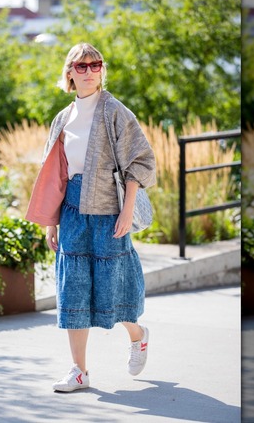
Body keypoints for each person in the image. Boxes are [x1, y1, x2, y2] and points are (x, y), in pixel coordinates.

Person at [25, 43, 156, 392]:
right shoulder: (62, 118)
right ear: (69, 73)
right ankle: (79, 371)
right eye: (80, 66)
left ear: (102, 70)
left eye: (94, 65)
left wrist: (127, 210)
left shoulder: (115, 111)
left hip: (108, 212)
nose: (88, 71)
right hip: (70, 211)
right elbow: (54, 175)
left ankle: (138, 335)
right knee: (73, 291)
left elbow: (140, 162)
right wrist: (50, 221)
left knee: (112, 289)